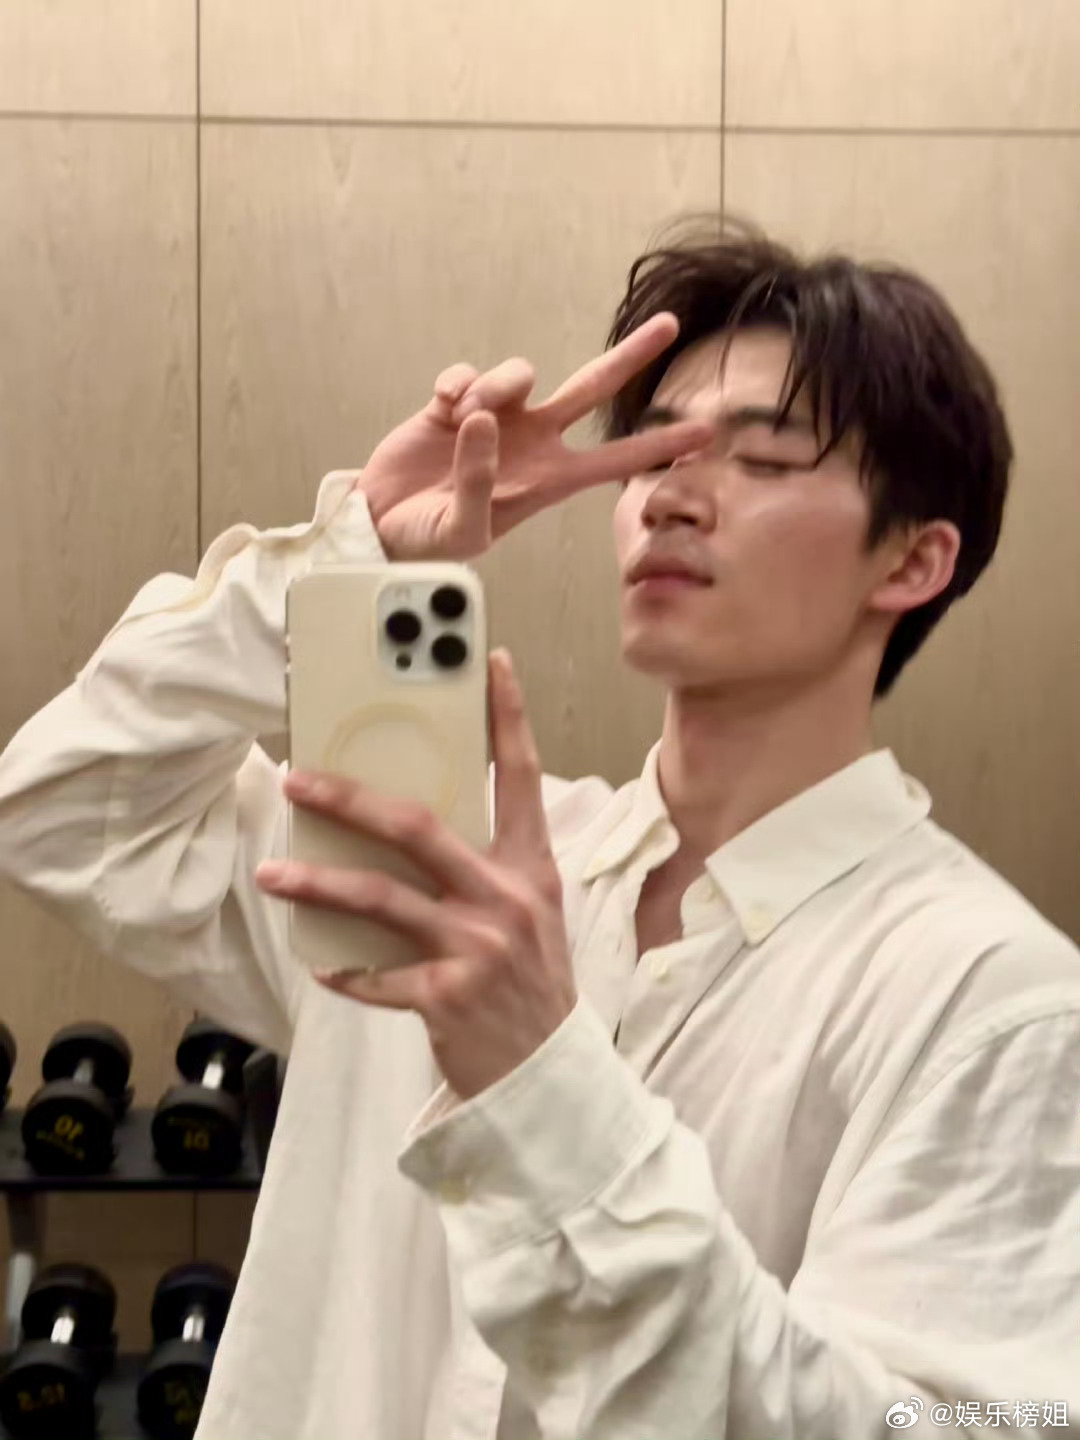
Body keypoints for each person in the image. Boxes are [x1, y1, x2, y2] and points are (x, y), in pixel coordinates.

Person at [0, 219, 1077, 1440]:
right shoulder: (433, 866)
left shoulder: (994, 1000)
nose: (669, 496)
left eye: (763, 459)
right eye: (655, 451)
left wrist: (542, 1086)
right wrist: (355, 550)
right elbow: (66, 811)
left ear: (914, 561)